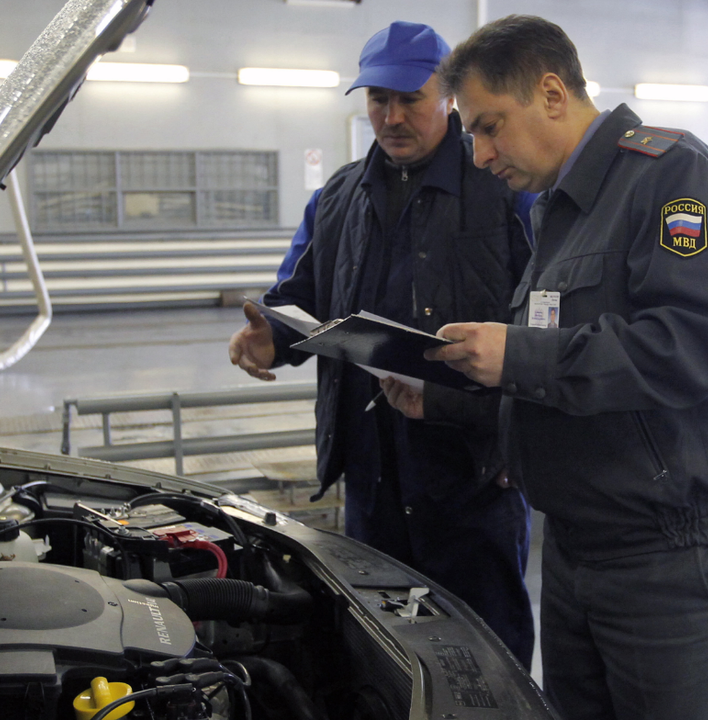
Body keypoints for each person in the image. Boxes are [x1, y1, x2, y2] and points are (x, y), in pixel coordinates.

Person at [424, 15, 708, 720]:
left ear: (552, 94)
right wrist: (443, 395)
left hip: (667, 554)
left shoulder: (673, 175)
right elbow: (566, 369)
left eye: (489, 127)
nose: (480, 156)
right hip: (576, 545)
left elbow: (691, 347)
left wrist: (516, 353)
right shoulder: (560, 209)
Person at [228, 21, 536, 667]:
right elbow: (298, 297)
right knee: (382, 648)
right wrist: (271, 337)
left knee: (486, 653)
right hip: (370, 470)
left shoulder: (503, 190)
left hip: (471, 474)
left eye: (409, 99)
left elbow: (545, 321)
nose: (392, 117)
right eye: (377, 99)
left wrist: (523, 435)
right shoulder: (338, 198)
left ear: (447, 97)